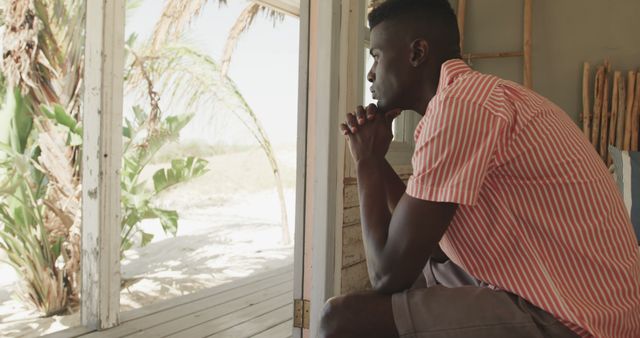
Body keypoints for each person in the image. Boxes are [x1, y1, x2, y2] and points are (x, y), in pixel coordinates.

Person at [320, 0, 640, 337]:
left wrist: (367, 163)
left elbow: (385, 274)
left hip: (577, 320)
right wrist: (378, 158)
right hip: (580, 301)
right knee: (427, 270)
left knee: (339, 320)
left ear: (416, 53)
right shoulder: (469, 101)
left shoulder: (460, 108)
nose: (371, 73)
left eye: (377, 56)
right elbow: (422, 243)